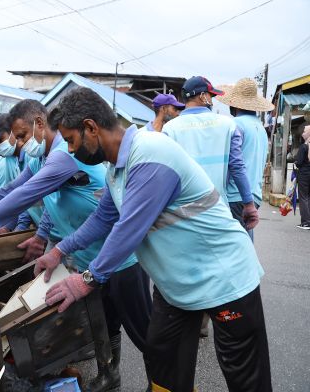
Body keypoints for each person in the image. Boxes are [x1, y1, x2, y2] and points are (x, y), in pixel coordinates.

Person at [45, 86, 271, 392]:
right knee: (163, 361)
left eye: (71, 140)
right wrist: (59, 250)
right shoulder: (116, 170)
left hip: (223, 278)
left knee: (245, 375)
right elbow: (102, 219)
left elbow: (129, 228)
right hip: (177, 285)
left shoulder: (151, 153)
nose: (70, 150)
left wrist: (87, 279)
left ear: (91, 127)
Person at [0, 100, 152, 390]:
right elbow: (14, 190)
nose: (20, 144)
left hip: (120, 257)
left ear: (40, 123)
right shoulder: (39, 159)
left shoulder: (64, 155)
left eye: (22, 135)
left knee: (142, 330)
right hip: (86, 255)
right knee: (104, 321)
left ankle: (160, 382)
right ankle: (110, 373)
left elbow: (29, 194)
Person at [163, 76, 259, 229]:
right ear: (202, 96)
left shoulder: (170, 128)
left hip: (181, 213)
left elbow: (166, 172)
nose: (212, 101)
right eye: (211, 96)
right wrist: (248, 203)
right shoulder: (227, 125)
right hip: (217, 210)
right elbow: (237, 167)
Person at [216, 78, 274, 239]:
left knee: (233, 244)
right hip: (254, 194)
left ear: (235, 104)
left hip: (236, 194)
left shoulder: (235, 125)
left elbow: (234, 163)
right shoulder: (261, 129)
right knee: (245, 241)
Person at [295, 125, 310, 229]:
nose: (302, 133)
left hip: (304, 175)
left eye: (304, 131)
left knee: (303, 198)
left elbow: (299, 163)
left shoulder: (304, 147)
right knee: (308, 197)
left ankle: (306, 222)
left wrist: (296, 162)